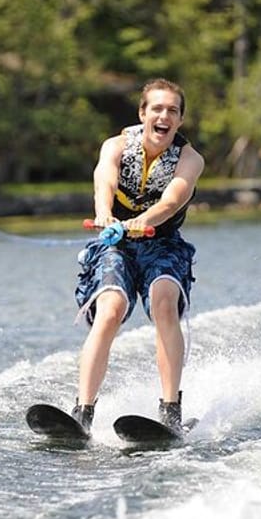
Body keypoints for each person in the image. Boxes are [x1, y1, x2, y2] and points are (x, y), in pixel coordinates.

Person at [72, 78, 205, 434]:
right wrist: (104, 215)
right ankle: (82, 412)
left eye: (172, 111)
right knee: (110, 307)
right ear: (143, 113)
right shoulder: (115, 146)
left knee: (164, 300)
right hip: (116, 244)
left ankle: (170, 412)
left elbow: (172, 200)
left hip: (163, 243)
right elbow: (105, 182)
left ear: (179, 120)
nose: (164, 116)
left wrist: (139, 222)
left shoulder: (190, 160)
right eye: (157, 109)